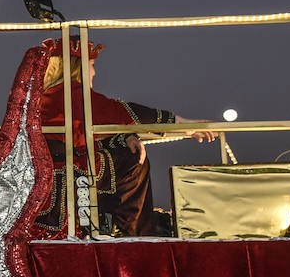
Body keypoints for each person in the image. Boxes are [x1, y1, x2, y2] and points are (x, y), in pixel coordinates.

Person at [36, 40, 216, 237]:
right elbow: (121, 112)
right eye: (92, 66)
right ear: (78, 67)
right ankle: (134, 231)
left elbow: (96, 125)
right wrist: (182, 124)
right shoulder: (72, 94)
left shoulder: (49, 94)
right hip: (67, 167)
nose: (95, 73)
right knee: (133, 160)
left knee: (123, 145)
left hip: (52, 164)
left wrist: (126, 135)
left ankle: (120, 225)